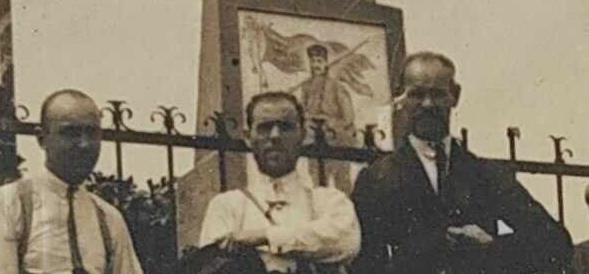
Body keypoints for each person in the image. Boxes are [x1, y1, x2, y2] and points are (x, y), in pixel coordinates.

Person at [351, 51, 572, 274]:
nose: (427, 104)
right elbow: (365, 264)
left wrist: (492, 247)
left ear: (454, 96)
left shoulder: (486, 174)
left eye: (437, 94)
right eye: (417, 94)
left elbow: (555, 242)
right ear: (401, 97)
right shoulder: (377, 178)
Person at [0, 88, 143, 274]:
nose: (84, 144)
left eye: (92, 133)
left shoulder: (109, 219)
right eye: (70, 133)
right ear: (42, 138)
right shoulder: (6, 205)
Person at [199, 89, 361, 272]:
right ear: (248, 138)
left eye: (285, 127)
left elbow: (346, 241)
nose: (275, 136)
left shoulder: (330, 202)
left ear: (303, 136)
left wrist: (265, 237)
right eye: (264, 127)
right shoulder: (227, 207)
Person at [296, 44, 356, 195]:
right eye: (314, 61)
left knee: (342, 184)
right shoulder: (306, 87)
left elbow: (348, 117)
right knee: (318, 184)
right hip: (315, 141)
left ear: (326, 63)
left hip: (337, 141)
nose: (316, 65)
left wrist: (331, 124)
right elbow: (303, 113)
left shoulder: (336, 86)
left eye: (320, 61)